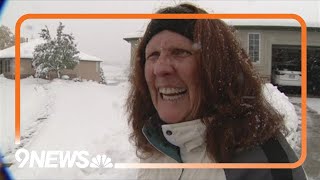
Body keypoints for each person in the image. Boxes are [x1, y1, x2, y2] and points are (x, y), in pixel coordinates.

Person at [126, 3, 307, 180]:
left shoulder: (264, 166)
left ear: (217, 68)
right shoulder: (157, 147)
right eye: (153, 55)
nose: (160, 68)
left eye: (179, 52)